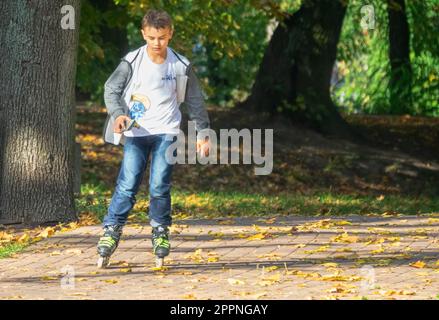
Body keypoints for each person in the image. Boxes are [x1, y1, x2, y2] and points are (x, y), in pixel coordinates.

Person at [97, 9, 210, 268]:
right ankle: (111, 229)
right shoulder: (132, 60)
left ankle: (160, 231)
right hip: (136, 133)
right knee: (127, 184)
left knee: (160, 184)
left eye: (161, 37)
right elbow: (110, 89)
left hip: (167, 132)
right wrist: (117, 115)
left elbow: (195, 101)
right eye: (151, 38)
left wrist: (203, 133)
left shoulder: (181, 65)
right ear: (143, 34)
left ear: (170, 34)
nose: (156, 44)